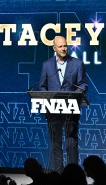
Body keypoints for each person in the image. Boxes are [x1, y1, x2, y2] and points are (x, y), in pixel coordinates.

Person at [39, 35, 88, 173]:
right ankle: (57, 174)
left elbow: (83, 84)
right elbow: (42, 86)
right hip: (53, 108)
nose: (63, 48)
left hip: (71, 108)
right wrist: (46, 96)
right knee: (56, 143)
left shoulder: (77, 63)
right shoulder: (47, 65)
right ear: (54, 48)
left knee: (71, 143)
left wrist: (78, 92)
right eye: (60, 46)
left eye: (65, 45)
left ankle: (72, 175)